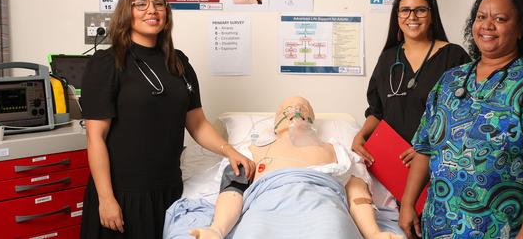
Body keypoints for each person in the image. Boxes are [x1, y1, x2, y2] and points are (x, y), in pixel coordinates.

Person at [79, 0, 254, 239]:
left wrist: (229, 151)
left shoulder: (179, 64)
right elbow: (95, 136)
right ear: (127, 11)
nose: (152, 10)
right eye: (141, 4)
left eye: (159, 4)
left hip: (169, 192)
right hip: (123, 194)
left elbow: (197, 123)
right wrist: (106, 199)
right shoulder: (108, 63)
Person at [399, 0, 523, 238]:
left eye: (500, 18)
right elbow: (425, 147)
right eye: (481, 17)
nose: (488, 25)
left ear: (521, 28)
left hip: (499, 228)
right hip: (438, 224)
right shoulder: (450, 80)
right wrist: (407, 203)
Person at [167, 97, 403, 239]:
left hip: (322, 208)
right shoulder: (250, 151)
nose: (295, 112)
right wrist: (217, 230)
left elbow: (358, 196)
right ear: (274, 122)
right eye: (286, 110)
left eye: (303, 108)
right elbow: (232, 191)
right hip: (264, 209)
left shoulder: (338, 150)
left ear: (312, 119)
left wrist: (373, 233)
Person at [352, 0, 470, 167]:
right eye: (405, 10)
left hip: (439, 162)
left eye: (420, 10)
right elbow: (377, 111)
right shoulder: (388, 59)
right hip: (392, 162)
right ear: (397, 16)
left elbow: (466, 115)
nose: (412, 16)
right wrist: (360, 135)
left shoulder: (454, 57)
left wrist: (425, 148)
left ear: (432, 15)